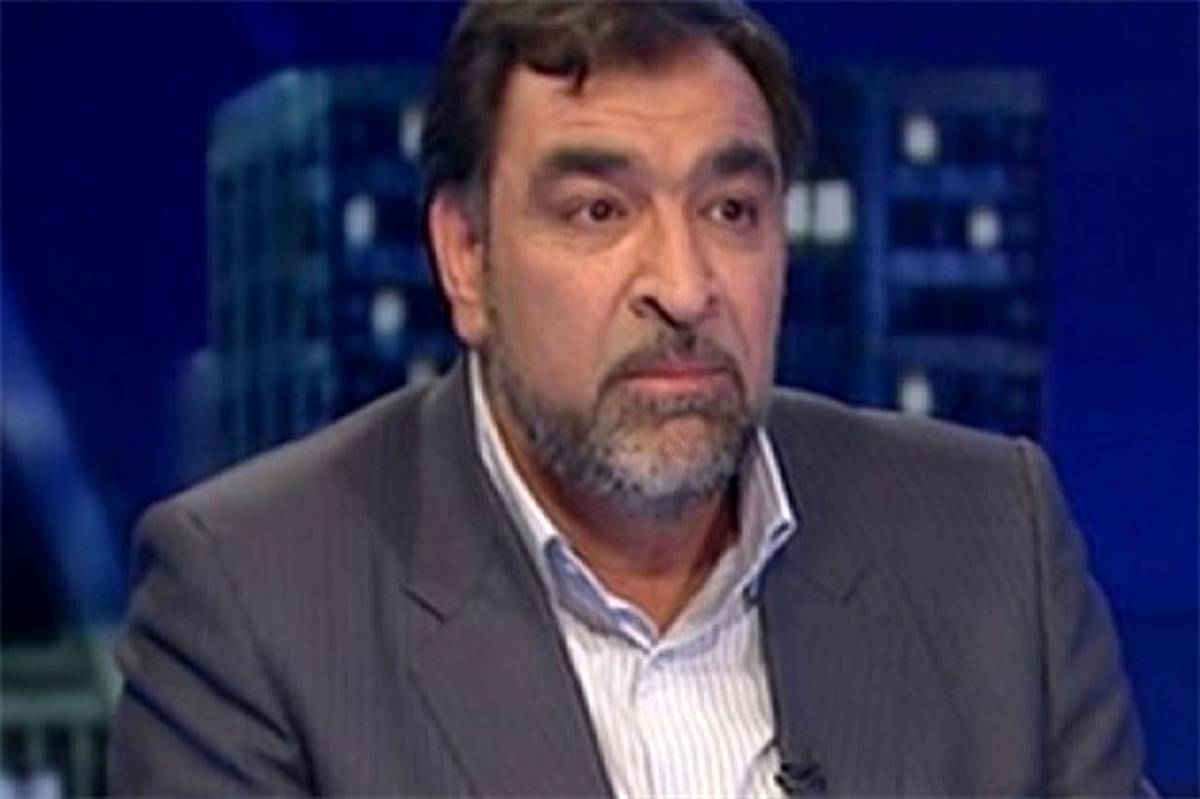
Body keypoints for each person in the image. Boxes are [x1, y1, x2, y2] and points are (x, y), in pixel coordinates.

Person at [109, 1, 1149, 795]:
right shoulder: (252, 603)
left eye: (731, 209)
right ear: (466, 257)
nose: (686, 286)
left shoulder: (992, 541)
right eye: (599, 211)